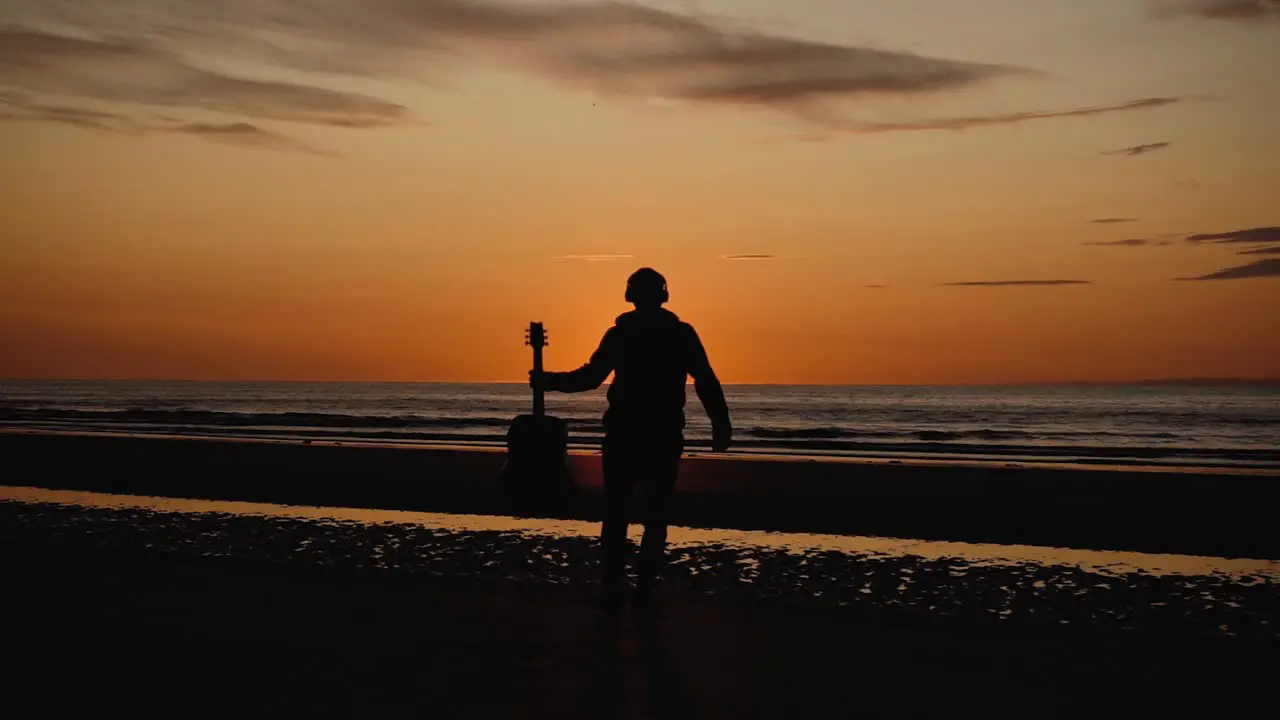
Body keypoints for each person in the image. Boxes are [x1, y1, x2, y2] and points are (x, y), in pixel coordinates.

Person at [531, 267, 732, 611]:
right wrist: (720, 423)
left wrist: (548, 381)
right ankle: (643, 587)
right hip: (662, 435)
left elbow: (590, 378)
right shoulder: (680, 334)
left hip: (626, 434)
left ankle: (614, 584)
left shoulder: (622, 335)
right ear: (663, 295)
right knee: (655, 513)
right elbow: (706, 380)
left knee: (617, 511)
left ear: (631, 296)